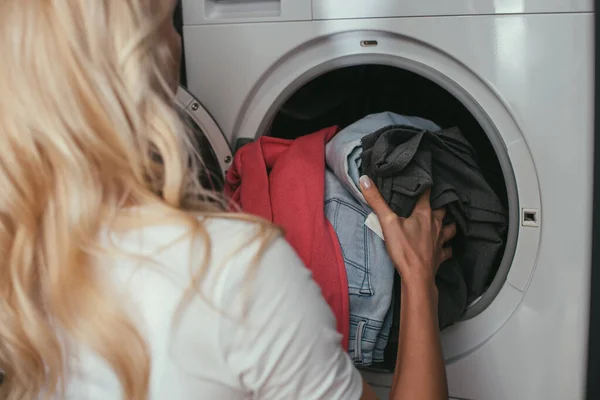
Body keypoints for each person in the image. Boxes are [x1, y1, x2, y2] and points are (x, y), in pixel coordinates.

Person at [0, 0, 456, 399]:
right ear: (143, 63)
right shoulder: (232, 271)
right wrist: (418, 280)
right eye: (168, 21)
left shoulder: (16, 272)